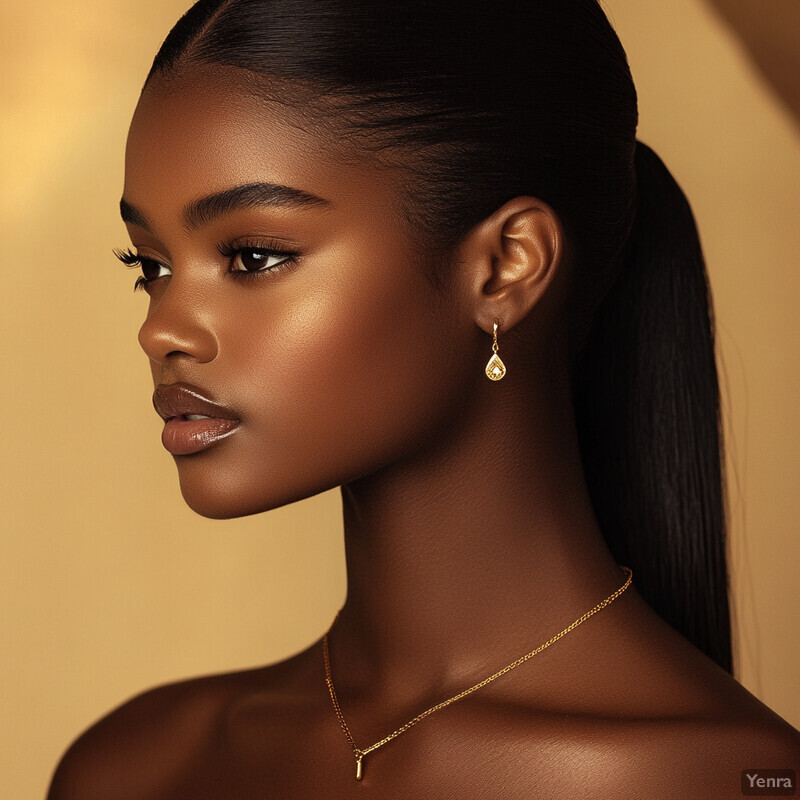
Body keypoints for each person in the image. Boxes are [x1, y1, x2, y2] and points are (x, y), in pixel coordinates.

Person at [47, 0, 800, 797]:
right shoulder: (134, 767)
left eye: (253, 255)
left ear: (507, 266)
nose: (163, 330)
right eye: (151, 266)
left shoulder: (713, 778)